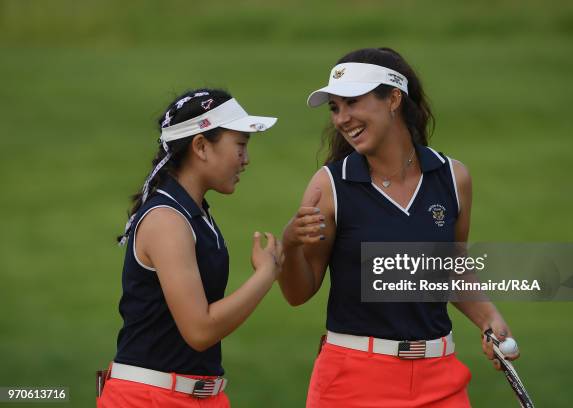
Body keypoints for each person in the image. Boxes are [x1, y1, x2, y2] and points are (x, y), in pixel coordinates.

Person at [279, 48, 520, 407]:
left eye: (352, 103)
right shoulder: (329, 185)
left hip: (440, 378)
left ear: (393, 99)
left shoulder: (452, 178)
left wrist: (489, 317)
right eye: (335, 108)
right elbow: (298, 293)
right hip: (353, 381)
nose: (342, 119)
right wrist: (290, 244)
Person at [97, 88, 282, 407]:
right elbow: (199, 329)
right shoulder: (168, 221)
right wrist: (265, 275)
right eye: (240, 146)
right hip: (149, 399)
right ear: (201, 146)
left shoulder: (195, 213)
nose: (246, 159)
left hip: (190, 395)